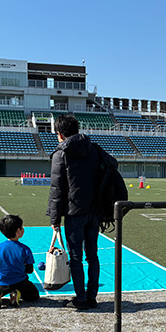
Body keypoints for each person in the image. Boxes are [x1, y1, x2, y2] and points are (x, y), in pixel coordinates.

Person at [47, 114, 102, 310]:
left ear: (60, 134)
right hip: (94, 211)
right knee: (92, 256)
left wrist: (54, 219)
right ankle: (92, 296)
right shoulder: (94, 149)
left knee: (76, 258)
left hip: (74, 212)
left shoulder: (61, 154)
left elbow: (57, 190)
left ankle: (81, 298)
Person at [0, 214, 40, 309]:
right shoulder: (25, 249)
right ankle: (16, 293)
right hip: (21, 281)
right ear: (18, 230)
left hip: (3, 281)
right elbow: (29, 270)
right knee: (33, 295)